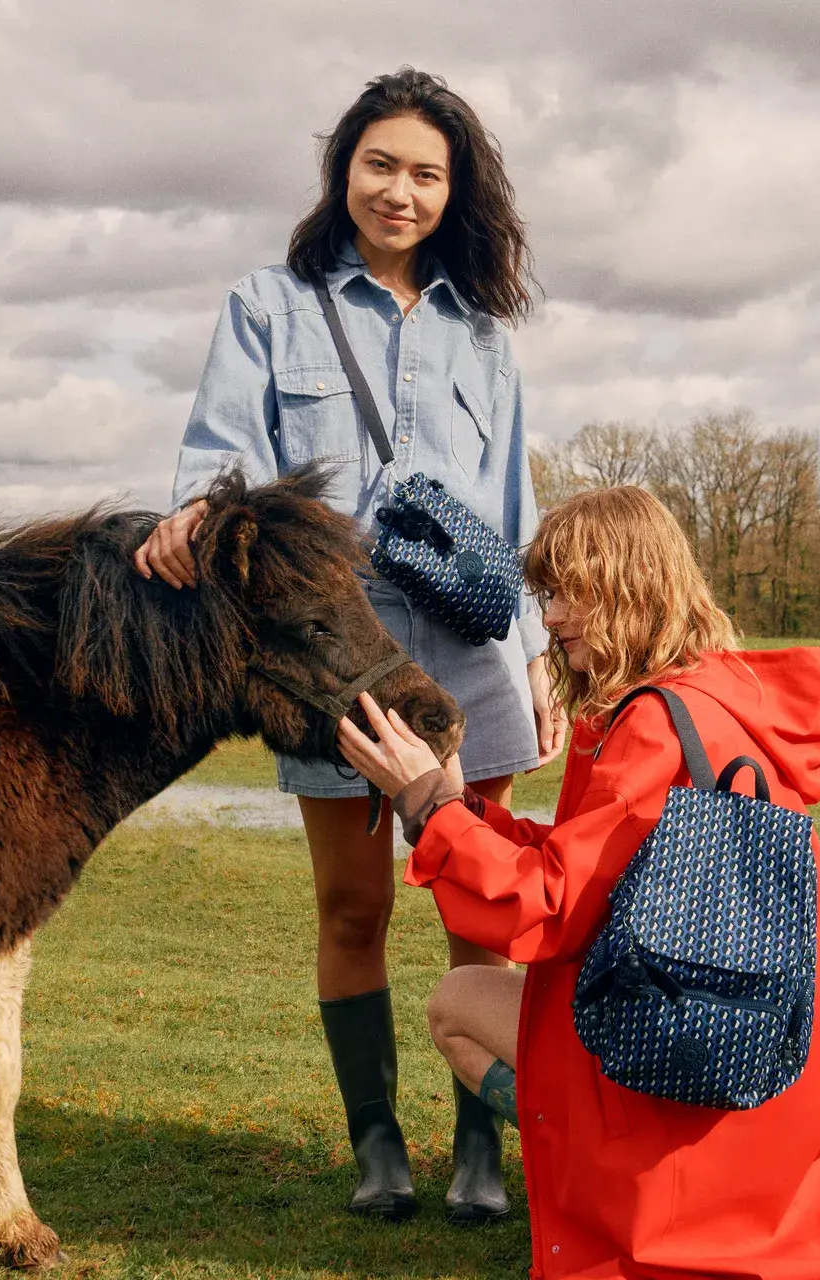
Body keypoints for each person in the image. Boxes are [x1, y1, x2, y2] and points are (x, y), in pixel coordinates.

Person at [337, 486, 820, 1278]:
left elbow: (550, 906)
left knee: (457, 1005)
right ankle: (604, 1170)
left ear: (630, 588)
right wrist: (458, 805)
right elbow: (588, 863)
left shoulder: (654, 725)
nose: (551, 617)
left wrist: (422, 801)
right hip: (785, 1041)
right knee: (471, 1002)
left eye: (569, 594)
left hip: (681, 1039)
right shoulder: (721, 695)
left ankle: (605, 1179)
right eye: (547, 595)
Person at [134, 68, 564, 1224]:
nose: (403, 191)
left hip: (470, 646)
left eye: (428, 172)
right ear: (344, 171)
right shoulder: (269, 304)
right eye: (382, 165)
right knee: (352, 905)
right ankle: (378, 1141)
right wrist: (193, 512)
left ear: (455, 188)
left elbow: (512, 506)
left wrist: (533, 645)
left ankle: (483, 1144)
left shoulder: (484, 332)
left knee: (483, 903)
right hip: (336, 645)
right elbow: (220, 446)